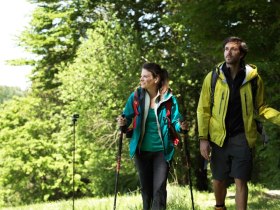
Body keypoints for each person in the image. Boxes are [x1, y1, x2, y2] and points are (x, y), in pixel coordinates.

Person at [197, 37, 280, 210]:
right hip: (218, 137)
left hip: (243, 137)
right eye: (226, 48)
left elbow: (262, 108)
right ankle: (220, 206)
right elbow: (203, 109)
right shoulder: (213, 77)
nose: (228, 52)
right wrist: (203, 138)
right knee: (219, 180)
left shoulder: (254, 79)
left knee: (240, 180)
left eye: (233, 49)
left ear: (241, 54)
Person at [117, 62, 187, 210]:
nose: (141, 79)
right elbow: (127, 116)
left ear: (155, 79)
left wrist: (181, 126)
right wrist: (123, 122)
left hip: (162, 151)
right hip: (141, 150)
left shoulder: (168, 98)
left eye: (145, 76)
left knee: (159, 190)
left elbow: (175, 120)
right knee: (146, 191)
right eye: (141, 76)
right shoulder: (136, 96)